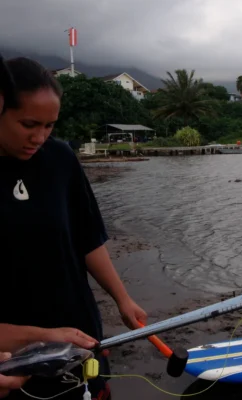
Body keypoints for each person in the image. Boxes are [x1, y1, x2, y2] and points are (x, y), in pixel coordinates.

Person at [0, 54, 148, 400]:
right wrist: (38, 337)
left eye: (49, 126)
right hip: (11, 346)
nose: (39, 136)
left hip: (77, 328)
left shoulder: (60, 159)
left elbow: (87, 238)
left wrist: (123, 299)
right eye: (28, 124)